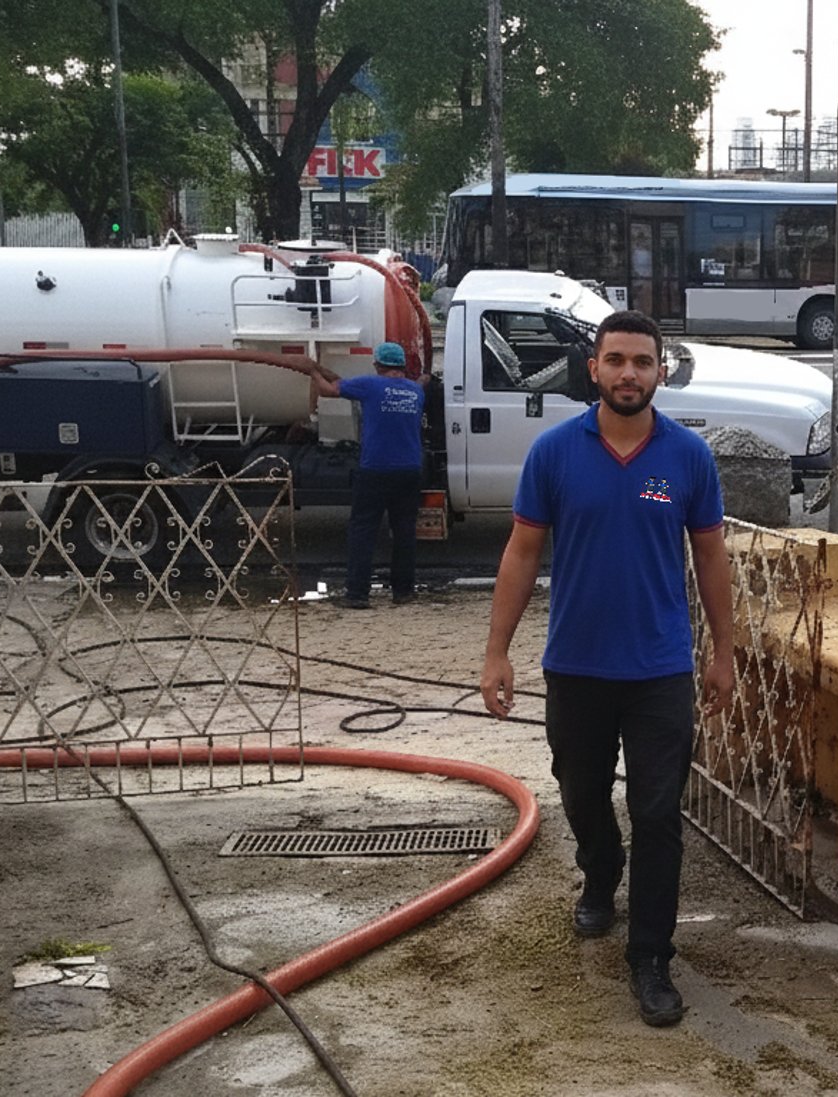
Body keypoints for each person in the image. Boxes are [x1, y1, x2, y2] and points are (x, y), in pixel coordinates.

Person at [480, 310, 735, 1028]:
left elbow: (711, 557)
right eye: (616, 359)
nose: (629, 373)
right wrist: (497, 649)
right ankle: (600, 869)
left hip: (658, 669)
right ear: (593, 368)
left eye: (642, 361)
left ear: (661, 372)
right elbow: (522, 553)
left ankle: (650, 958)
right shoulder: (556, 452)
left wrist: (724, 652)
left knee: (659, 814)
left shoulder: (688, 457)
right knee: (580, 790)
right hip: (578, 666)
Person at [311, 341, 424, 608]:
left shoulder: (370, 385)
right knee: (405, 532)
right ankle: (403, 592)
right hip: (409, 470)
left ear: (378, 365)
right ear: (401, 366)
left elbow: (328, 391)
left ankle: (358, 594)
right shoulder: (416, 391)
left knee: (363, 531)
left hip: (375, 469)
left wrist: (312, 371)